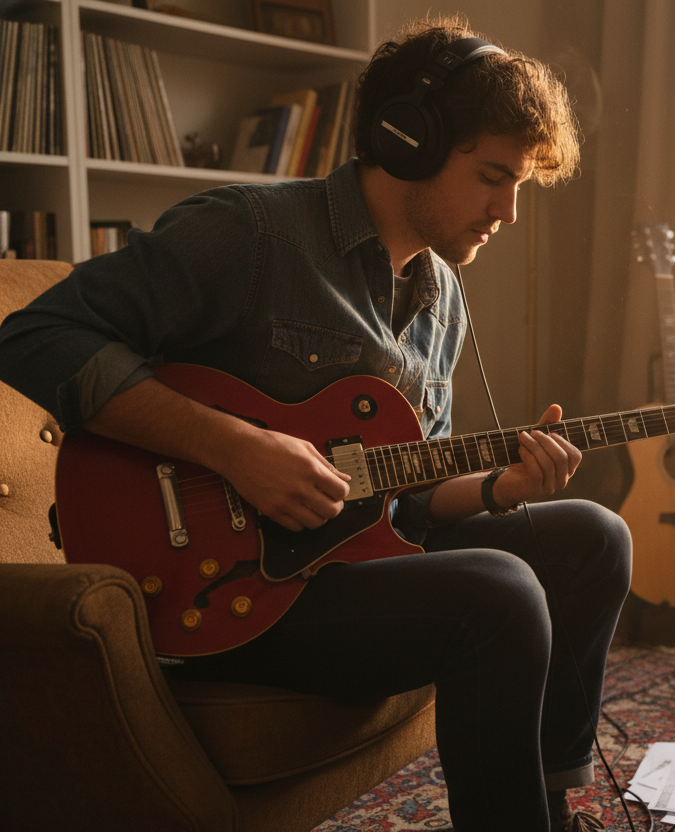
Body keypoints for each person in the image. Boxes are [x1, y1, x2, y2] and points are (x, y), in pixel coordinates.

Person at [0, 16, 630, 832]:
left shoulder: (442, 298)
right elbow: (35, 336)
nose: (508, 211)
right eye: (491, 177)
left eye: (520, 185)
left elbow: (403, 502)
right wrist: (235, 446)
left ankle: (546, 804)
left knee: (592, 536)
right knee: (499, 593)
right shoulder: (252, 235)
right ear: (407, 140)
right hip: (230, 586)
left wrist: (500, 488)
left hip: (352, 560)